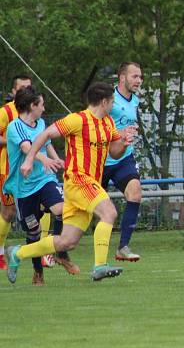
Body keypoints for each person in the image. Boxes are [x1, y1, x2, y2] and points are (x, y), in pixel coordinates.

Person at [5, 82, 136, 283]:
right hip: (78, 180)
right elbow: (46, 134)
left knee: (67, 242)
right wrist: (30, 159)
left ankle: (18, 253)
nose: (113, 106)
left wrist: (124, 143)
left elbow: (114, 152)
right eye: (112, 102)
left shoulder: (108, 123)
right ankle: (100, 266)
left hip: (90, 183)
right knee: (109, 212)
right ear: (104, 101)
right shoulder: (78, 119)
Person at [3, 87, 80, 284]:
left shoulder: (41, 123)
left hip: (45, 180)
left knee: (62, 210)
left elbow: (46, 144)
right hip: (24, 188)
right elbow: (27, 147)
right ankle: (38, 272)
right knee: (33, 231)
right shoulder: (15, 126)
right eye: (42, 105)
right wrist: (43, 160)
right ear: (32, 106)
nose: (44, 108)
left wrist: (56, 160)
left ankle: (61, 253)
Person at [102, 62, 144, 262]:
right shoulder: (108, 100)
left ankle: (123, 247)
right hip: (101, 160)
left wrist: (126, 139)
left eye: (140, 77)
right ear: (122, 78)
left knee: (135, 193)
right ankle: (56, 244)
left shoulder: (135, 100)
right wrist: (119, 134)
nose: (138, 81)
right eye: (135, 76)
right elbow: (96, 126)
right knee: (82, 210)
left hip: (124, 158)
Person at [0, 74, 32, 270]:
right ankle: (1, 253)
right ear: (13, 92)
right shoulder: (5, 112)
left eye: (29, 88)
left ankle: (42, 253)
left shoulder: (34, 109)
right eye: (21, 89)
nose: (25, 92)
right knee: (9, 212)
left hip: (30, 170)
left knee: (44, 207)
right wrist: (15, 140)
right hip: (8, 169)